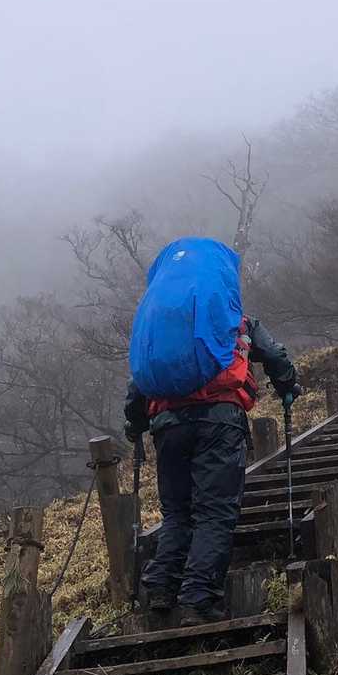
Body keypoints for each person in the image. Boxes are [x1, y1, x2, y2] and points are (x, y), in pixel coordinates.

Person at [124, 239, 302, 626]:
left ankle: (160, 588)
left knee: (177, 512)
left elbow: (137, 387)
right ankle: (198, 599)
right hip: (219, 421)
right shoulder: (236, 322)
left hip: (167, 426)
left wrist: (135, 425)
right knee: (215, 510)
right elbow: (275, 356)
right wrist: (288, 386)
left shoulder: (163, 333)